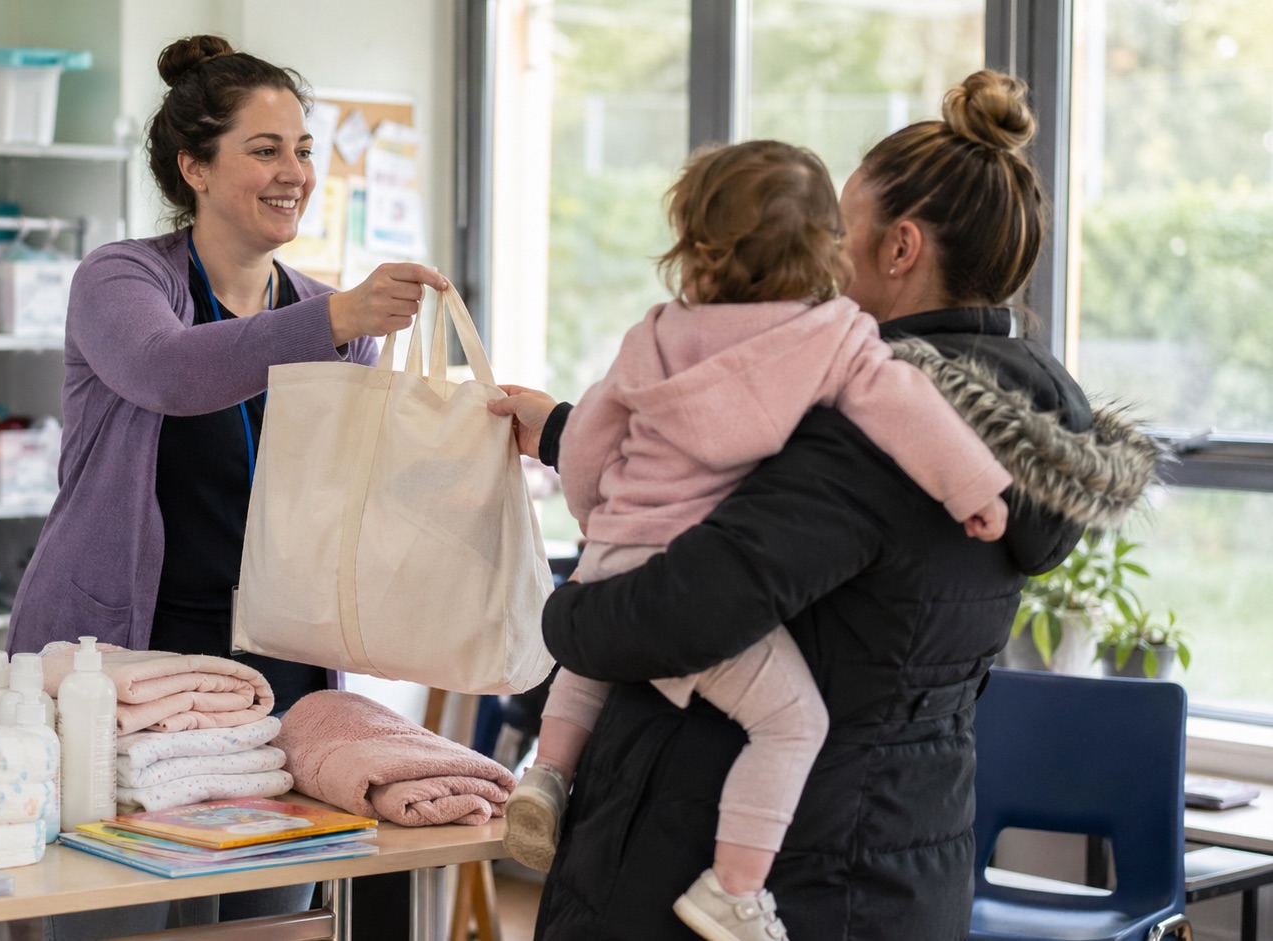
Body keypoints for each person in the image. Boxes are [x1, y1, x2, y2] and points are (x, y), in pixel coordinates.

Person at [487, 70, 1162, 941]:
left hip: (743, 871)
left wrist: (563, 611)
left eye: (841, 224)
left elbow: (682, 608)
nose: (817, 250)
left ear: (900, 249)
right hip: (889, 860)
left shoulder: (871, 423)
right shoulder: (986, 427)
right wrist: (561, 430)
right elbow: (740, 484)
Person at [5, 34, 445, 937]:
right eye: (265, 148)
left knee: (265, 918)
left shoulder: (327, 312)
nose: (295, 171)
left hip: (271, 665)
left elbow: (362, 481)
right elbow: (170, 370)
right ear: (193, 168)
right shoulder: (124, 279)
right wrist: (338, 317)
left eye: (305, 149)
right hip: (126, 660)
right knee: (109, 912)